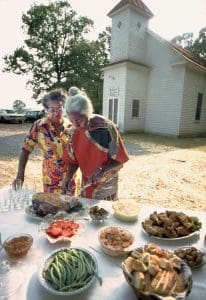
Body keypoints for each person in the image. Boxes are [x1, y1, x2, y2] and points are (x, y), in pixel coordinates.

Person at [62, 87, 129, 200]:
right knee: (86, 213)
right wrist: (68, 177)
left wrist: (102, 169)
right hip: (87, 183)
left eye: (78, 121)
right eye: (71, 121)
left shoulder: (106, 128)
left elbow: (119, 161)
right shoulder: (73, 132)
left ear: (87, 114)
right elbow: (73, 161)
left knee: (104, 214)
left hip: (107, 186)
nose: (75, 125)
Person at [12, 89, 75, 194]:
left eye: (59, 109)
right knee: (50, 207)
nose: (56, 113)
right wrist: (20, 175)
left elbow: (77, 154)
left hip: (71, 178)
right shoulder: (39, 126)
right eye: (52, 109)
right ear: (46, 109)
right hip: (50, 180)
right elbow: (26, 149)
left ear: (64, 108)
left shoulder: (72, 126)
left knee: (71, 208)